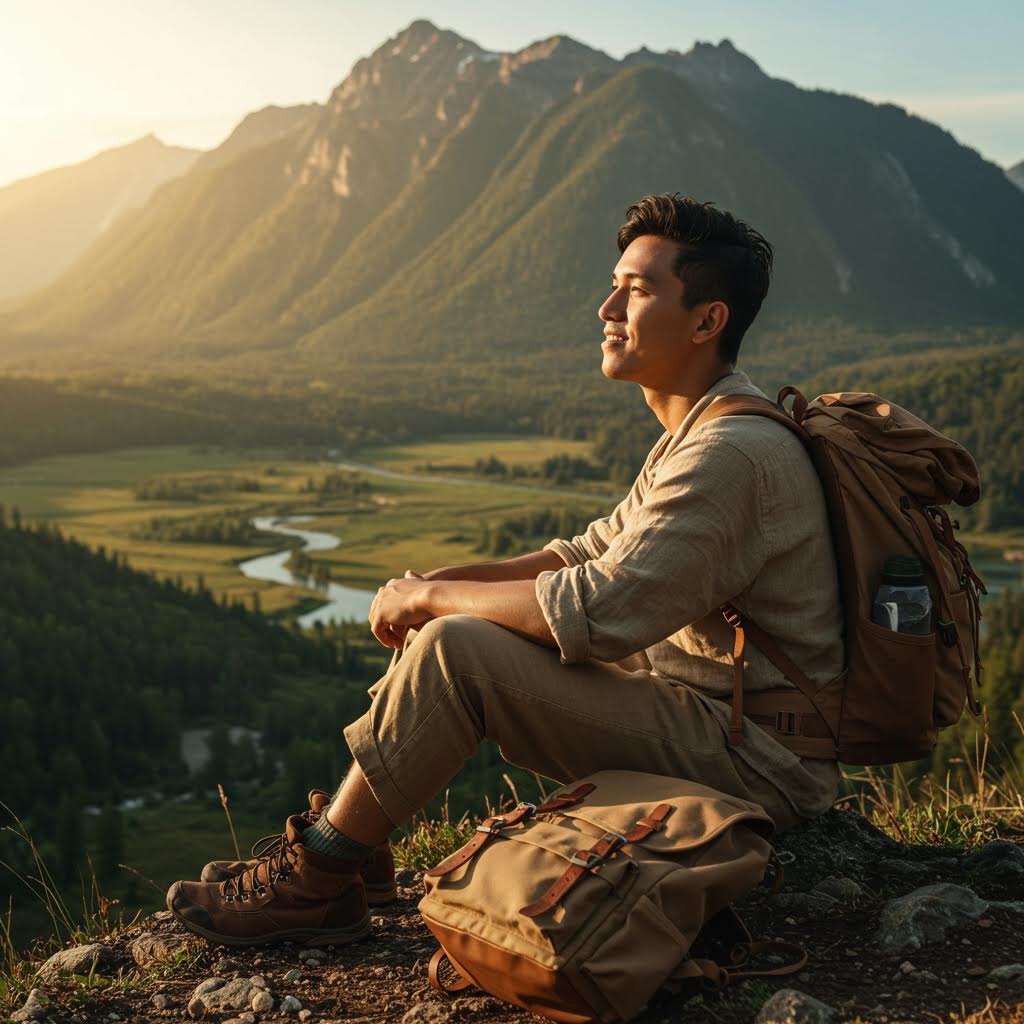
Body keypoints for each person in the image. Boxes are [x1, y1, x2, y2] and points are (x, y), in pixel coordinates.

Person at [167, 193, 843, 947]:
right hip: (714, 728)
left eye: (637, 291)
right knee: (451, 621)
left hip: (759, 763)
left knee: (460, 651)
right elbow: (589, 550)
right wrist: (442, 583)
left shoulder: (729, 453)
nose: (607, 309)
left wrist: (436, 599)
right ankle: (359, 852)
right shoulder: (704, 429)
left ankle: (318, 879)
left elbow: (600, 609)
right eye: (614, 286)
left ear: (707, 321)